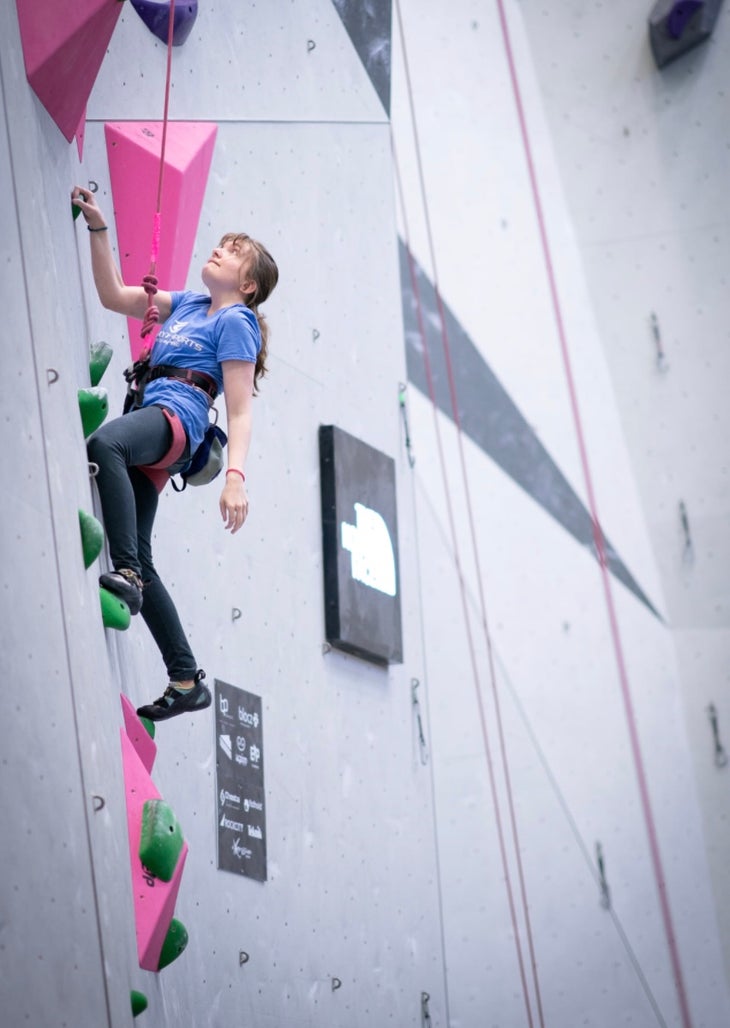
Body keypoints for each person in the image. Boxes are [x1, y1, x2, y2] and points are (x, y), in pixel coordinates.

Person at [72, 185, 279, 722]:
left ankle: (129, 577)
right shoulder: (187, 302)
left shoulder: (237, 322)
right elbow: (115, 296)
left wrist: (236, 477)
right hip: (156, 412)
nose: (219, 250)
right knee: (140, 547)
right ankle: (186, 678)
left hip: (178, 418)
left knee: (105, 443)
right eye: (221, 243)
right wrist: (98, 229)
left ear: (248, 283)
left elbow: (239, 410)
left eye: (233, 252)